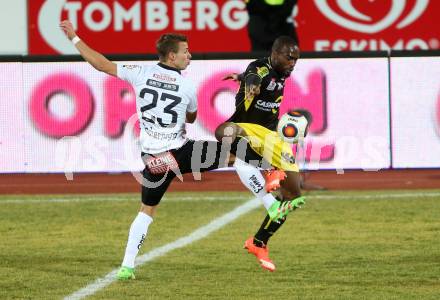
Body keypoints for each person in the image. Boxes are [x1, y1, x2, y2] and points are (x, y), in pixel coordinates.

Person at [59, 20, 293, 280]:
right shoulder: (187, 87)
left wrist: (74, 38)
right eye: (185, 52)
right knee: (237, 151)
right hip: (181, 153)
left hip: (153, 159)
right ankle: (271, 203)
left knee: (146, 211)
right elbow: (191, 118)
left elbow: (101, 63)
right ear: (172, 55)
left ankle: (127, 266)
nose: (189, 56)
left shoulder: (140, 72)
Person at [215, 35, 309, 272]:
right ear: (274, 53)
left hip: (271, 137)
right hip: (246, 129)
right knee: (223, 131)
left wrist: (240, 78)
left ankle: (259, 242)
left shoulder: (282, 73)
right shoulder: (260, 67)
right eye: (289, 58)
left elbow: (254, 77)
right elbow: (255, 74)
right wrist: (250, 83)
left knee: (294, 197)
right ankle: (269, 169)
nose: (293, 64)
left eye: (296, 60)